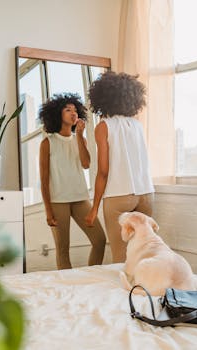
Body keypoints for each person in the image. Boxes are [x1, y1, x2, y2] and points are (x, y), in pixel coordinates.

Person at [85, 72, 154, 263]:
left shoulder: (104, 126)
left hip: (119, 195)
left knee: (120, 256)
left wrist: (94, 208)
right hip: (146, 193)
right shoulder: (137, 125)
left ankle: (126, 292)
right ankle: (144, 290)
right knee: (144, 252)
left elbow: (104, 171)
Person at [39, 93, 106, 270]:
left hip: (80, 198)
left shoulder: (80, 139)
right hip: (57, 201)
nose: (73, 113)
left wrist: (79, 136)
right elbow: (44, 180)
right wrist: (48, 210)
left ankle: (91, 279)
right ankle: (67, 289)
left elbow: (86, 164)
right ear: (57, 114)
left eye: (75, 110)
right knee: (63, 250)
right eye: (68, 110)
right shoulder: (48, 142)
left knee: (99, 240)